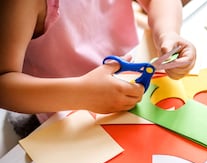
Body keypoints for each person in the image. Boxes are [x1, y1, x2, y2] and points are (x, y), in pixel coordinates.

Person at [0, 0, 196, 137]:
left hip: (131, 86)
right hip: (65, 113)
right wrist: (81, 93)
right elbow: (4, 85)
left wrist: (168, 33)